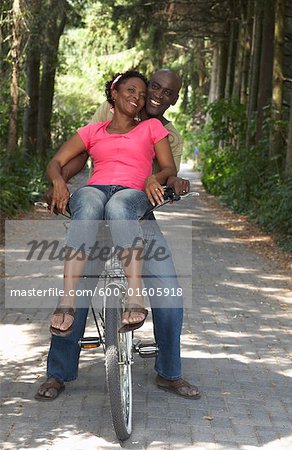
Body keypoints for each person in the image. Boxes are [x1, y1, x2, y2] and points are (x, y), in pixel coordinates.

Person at [35, 68, 200, 401]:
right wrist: (59, 183)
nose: (153, 95)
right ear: (118, 93)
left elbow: (168, 175)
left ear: (173, 100)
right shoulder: (109, 112)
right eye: (151, 87)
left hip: (137, 213)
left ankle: (169, 372)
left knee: (169, 289)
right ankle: (59, 372)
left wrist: (164, 182)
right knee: (78, 283)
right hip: (96, 207)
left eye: (166, 93)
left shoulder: (168, 134)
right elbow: (80, 156)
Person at [47, 70, 177, 336]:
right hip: (96, 189)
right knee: (88, 200)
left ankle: (135, 295)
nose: (138, 98)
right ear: (114, 93)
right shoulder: (92, 131)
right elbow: (56, 162)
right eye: (131, 91)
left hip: (132, 194)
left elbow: (168, 167)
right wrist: (59, 183)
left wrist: (154, 178)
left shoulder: (152, 128)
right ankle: (67, 300)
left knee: (119, 205)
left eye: (142, 95)